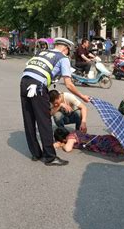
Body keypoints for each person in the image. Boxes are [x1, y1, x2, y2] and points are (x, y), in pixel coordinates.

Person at [20, 37, 90, 166]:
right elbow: (68, 84)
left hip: (24, 83)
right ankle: (50, 157)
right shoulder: (63, 58)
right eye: (69, 51)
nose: (68, 53)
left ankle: (36, 153)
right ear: (65, 48)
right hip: (38, 86)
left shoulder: (41, 53)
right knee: (44, 120)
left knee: (29, 119)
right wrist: (82, 96)